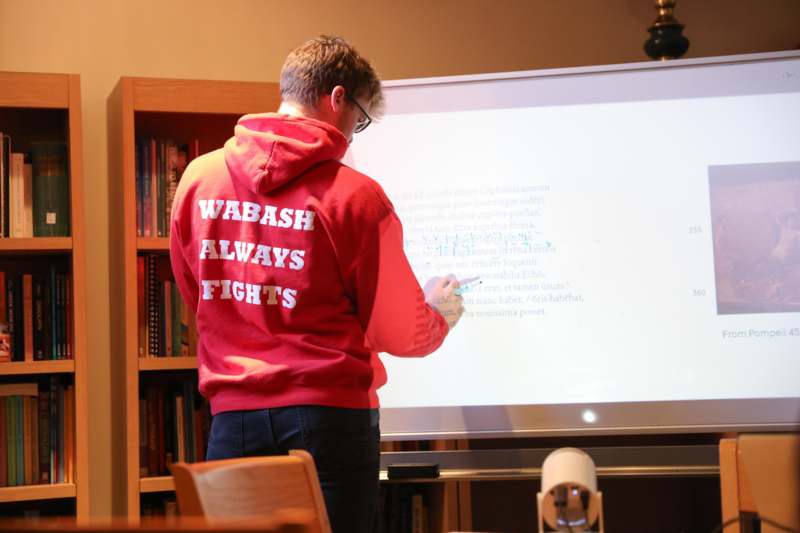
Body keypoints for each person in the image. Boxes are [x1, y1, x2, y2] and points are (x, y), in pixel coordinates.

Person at [169, 35, 464, 533]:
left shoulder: (199, 180)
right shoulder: (356, 198)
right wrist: (438, 314)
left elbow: (196, 294)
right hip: (328, 421)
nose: (354, 132)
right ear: (337, 100)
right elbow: (398, 331)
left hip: (233, 417)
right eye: (361, 119)